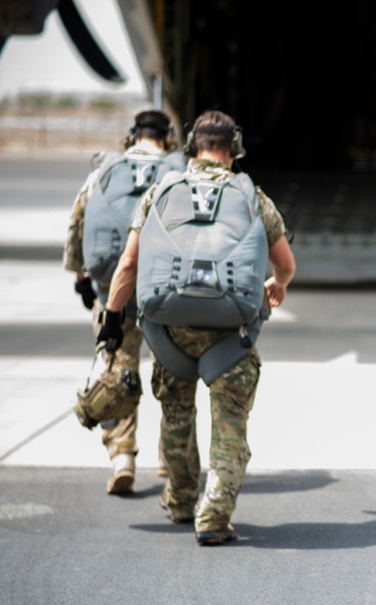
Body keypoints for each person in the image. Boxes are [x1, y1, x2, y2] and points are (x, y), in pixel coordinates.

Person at [98, 110, 296, 546]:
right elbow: (285, 264)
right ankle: (214, 516)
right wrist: (276, 285)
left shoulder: (160, 192)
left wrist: (113, 319)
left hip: (171, 332)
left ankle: (182, 499)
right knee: (229, 427)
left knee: (175, 416)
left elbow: (128, 264)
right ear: (235, 148)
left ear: (190, 145)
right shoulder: (251, 195)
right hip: (231, 335)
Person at [64, 109, 186, 494]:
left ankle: (122, 457)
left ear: (133, 136)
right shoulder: (177, 172)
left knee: (119, 372)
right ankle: (172, 459)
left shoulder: (103, 171)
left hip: (112, 291)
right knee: (172, 375)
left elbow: (77, 225)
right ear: (166, 139)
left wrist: (81, 278)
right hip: (164, 291)